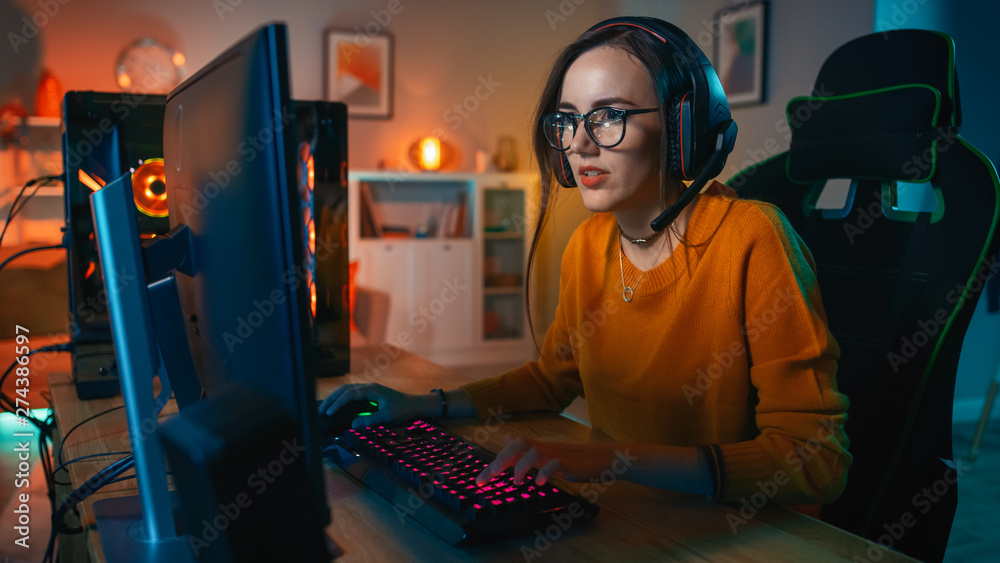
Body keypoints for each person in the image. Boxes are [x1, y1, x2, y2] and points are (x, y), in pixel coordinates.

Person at [320, 16, 850, 511]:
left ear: (683, 129)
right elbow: (552, 380)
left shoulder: (752, 238)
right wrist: (425, 405)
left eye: (609, 116)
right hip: (630, 514)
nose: (577, 143)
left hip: (737, 532)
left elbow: (817, 460)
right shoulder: (589, 244)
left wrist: (613, 459)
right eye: (568, 120)